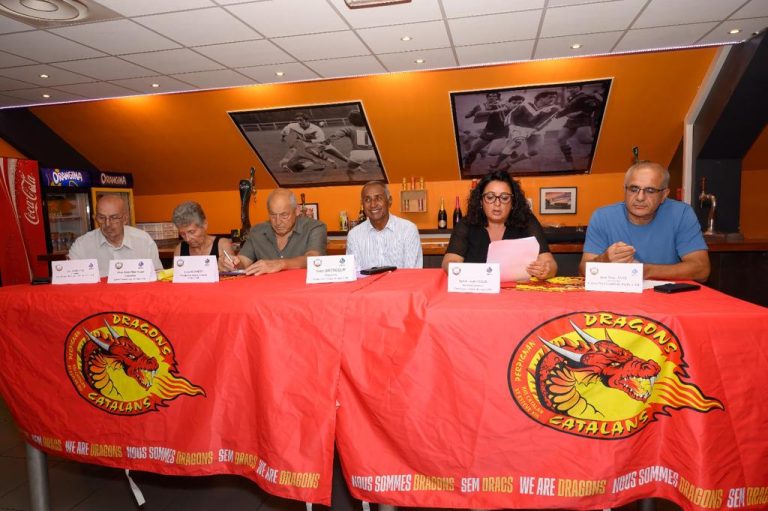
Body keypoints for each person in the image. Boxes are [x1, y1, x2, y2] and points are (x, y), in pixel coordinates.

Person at [579, 161, 710, 281]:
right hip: (618, 295)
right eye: (634, 189)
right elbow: (583, 271)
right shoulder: (602, 216)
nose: (640, 197)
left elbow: (702, 270)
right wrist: (604, 260)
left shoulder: (681, 214)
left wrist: (644, 271)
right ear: (624, 190)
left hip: (668, 295)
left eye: (650, 190)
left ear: (664, 195)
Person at [442, 170, 557, 280]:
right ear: (481, 201)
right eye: (490, 197)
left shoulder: (527, 221)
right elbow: (449, 262)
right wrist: (458, 270)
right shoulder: (466, 224)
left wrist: (546, 270)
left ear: (513, 202)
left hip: (518, 290)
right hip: (476, 289)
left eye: (504, 198)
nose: (497, 203)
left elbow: (551, 264)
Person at [223, 188, 327, 276]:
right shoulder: (257, 231)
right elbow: (243, 262)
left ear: (297, 211)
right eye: (273, 215)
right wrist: (232, 263)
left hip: (302, 289)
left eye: (284, 215)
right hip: (267, 290)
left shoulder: (314, 227)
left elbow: (314, 259)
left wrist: (281, 264)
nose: (277, 222)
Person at [68, 194, 162, 277]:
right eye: (102, 218)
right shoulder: (82, 245)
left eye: (114, 217)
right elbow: (71, 280)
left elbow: (158, 276)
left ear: (125, 219)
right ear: (95, 218)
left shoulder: (144, 241)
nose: (107, 224)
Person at [346, 181, 422, 270]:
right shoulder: (354, 235)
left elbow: (411, 273)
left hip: (401, 280)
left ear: (389, 201)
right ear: (362, 204)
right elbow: (355, 274)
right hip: (369, 280)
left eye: (378, 198)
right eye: (367, 200)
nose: (373, 204)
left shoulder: (408, 230)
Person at [171, 201, 234, 271]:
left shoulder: (222, 245)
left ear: (204, 225)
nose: (187, 239)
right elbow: (174, 276)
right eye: (182, 234)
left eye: (192, 232)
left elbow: (233, 273)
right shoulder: (179, 249)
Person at [555, 84, 603, 164]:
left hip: (583, 120)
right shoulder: (570, 98)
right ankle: (569, 159)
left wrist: (577, 113)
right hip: (571, 121)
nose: (571, 89)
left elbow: (592, 107)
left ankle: (603, 143)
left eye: (574, 87)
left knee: (584, 140)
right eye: (569, 87)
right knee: (561, 138)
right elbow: (568, 110)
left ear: (580, 88)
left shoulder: (586, 96)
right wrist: (558, 114)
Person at [280, 112, 349, 168]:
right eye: (297, 120)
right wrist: (283, 137)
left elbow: (321, 139)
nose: (299, 122)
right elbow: (286, 129)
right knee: (310, 153)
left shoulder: (316, 129)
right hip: (310, 147)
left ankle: (350, 162)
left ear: (306, 120)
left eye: (301, 120)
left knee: (340, 156)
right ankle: (328, 162)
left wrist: (306, 140)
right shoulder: (293, 125)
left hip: (322, 144)